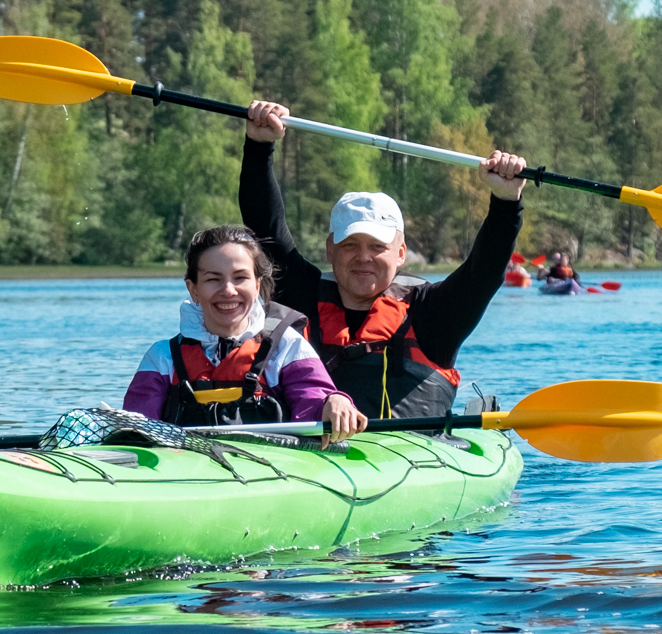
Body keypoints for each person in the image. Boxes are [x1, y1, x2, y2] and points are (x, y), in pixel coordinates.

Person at [240, 102, 528, 438]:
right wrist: (259, 146)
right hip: (317, 456)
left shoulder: (433, 313)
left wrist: (506, 203)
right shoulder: (303, 297)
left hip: (413, 460)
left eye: (378, 247)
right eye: (350, 245)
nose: (364, 257)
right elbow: (266, 230)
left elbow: (484, 271)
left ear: (401, 252)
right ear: (330, 249)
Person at [123, 223, 358, 433]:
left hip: (272, 473)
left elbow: (313, 401)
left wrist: (333, 401)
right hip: (190, 473)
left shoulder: (288, 347)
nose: (228, 290)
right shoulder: (162, 358)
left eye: (240, 278)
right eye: (213, 279)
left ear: (257, 285)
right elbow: (138, 430)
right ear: (193, 289)